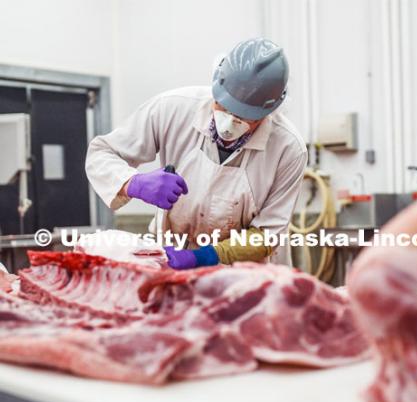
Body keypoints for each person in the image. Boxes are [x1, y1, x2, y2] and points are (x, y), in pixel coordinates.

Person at [86, 38, 307, 270]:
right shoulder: (172, 108)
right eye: (223, 107)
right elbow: (102, 152)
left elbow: (267, 234)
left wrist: (204, 256)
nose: (229, 124)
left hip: (245, 275)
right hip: (170, 261)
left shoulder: (289, 148)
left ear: (269, 111)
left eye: (245, 117)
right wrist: (133, 183)